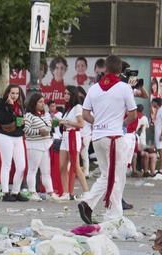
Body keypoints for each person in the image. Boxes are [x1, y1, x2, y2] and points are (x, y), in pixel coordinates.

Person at [77, 55, 136, 226]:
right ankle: (114, 216)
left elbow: (85, 114)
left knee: (106, 175)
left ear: (106, 69)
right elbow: (132, 114)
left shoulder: (94, 88)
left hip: (98, 137)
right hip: (114, 137)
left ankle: (88, 204)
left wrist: (99, 123)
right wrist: (121, 123)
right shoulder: (124, 88)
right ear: (120, 70)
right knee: (116, 177)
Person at [0, 84, 28, 201]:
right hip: (5, 136)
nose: (15, 96)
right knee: (6, 164)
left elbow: (21, 123)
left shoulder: (20, 105)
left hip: (18, 137)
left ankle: (15, 191)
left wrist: (22, 122)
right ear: (8, 93)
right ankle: (5, 193)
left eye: (17, 93)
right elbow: (2, 119)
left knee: (21, 166)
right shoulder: (2, 104)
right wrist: (9, 107)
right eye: (12, 93)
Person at [22, 93, 55, 201]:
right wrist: (39, 131)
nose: (42, 104)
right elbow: (25, 130)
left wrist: (47, 129)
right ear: (34, 103)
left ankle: (50, 192)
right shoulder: (29, 115)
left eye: (43, 101)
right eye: (40, 102)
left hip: (45, 144)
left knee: (46, 171)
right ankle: (32, 192)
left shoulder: (44, 114)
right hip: (34, 145)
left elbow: (49, 127)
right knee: (33, 169)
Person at [57, 86, 87, 200]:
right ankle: (65, 193)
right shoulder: (68, 108)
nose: (65, 96)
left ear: (73, 95)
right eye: (64, 93)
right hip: (65, 136)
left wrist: (66, 122)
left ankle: (86, 192)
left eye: (68, 94)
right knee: (62, 166)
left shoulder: (77, 107)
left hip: (73, 135)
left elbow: (81, 124)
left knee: (75, 165)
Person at [152, 97, 162, 175]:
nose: (152, 104)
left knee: (161, 151)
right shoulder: (158, 110)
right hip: (158, 133)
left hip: (161, 134)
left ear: (156, 103)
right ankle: (160, 169)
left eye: (153, 102)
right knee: (159, 151)